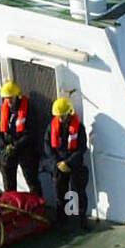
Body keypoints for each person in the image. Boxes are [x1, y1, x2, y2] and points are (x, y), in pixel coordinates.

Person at [44, 97, 89, 229]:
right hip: (58, 164)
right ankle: (61, 220)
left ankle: (81, 219)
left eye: (63, 116)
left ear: (69, 113)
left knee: (78, 192)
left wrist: (68, 162)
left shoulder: (79, 127)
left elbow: (81, 148)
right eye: (58, 116)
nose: (61, 118)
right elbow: (47, 145)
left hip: (74, 164)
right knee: (60, 193)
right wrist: (58, 162)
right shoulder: (51, 127)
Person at [0, 80, 38, 194]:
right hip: (7, 149)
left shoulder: (28, 109)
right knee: (8, 183)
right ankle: (11, 207)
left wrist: (15, 146)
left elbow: (31, 131)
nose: (9, 101)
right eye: (6, 98)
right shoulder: (2, 110)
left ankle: (37, 208)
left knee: (32, 181)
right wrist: (5, 145)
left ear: (17, 97)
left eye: (11, 98)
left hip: (24, 149)